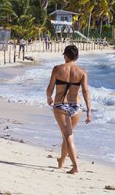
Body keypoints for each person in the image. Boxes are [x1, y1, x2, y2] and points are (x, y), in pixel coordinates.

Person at [44, 45, 92, 174]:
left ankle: (75, 167)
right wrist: (89, 111)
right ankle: (62, 161)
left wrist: (49, 98)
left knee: (68, 136)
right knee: (66, 135)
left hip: (61, 106)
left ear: (65, 55)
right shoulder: (82, 72)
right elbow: (86, 91)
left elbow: (50, 88)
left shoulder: (58, 69)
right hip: (77, 107)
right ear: (76, 57)